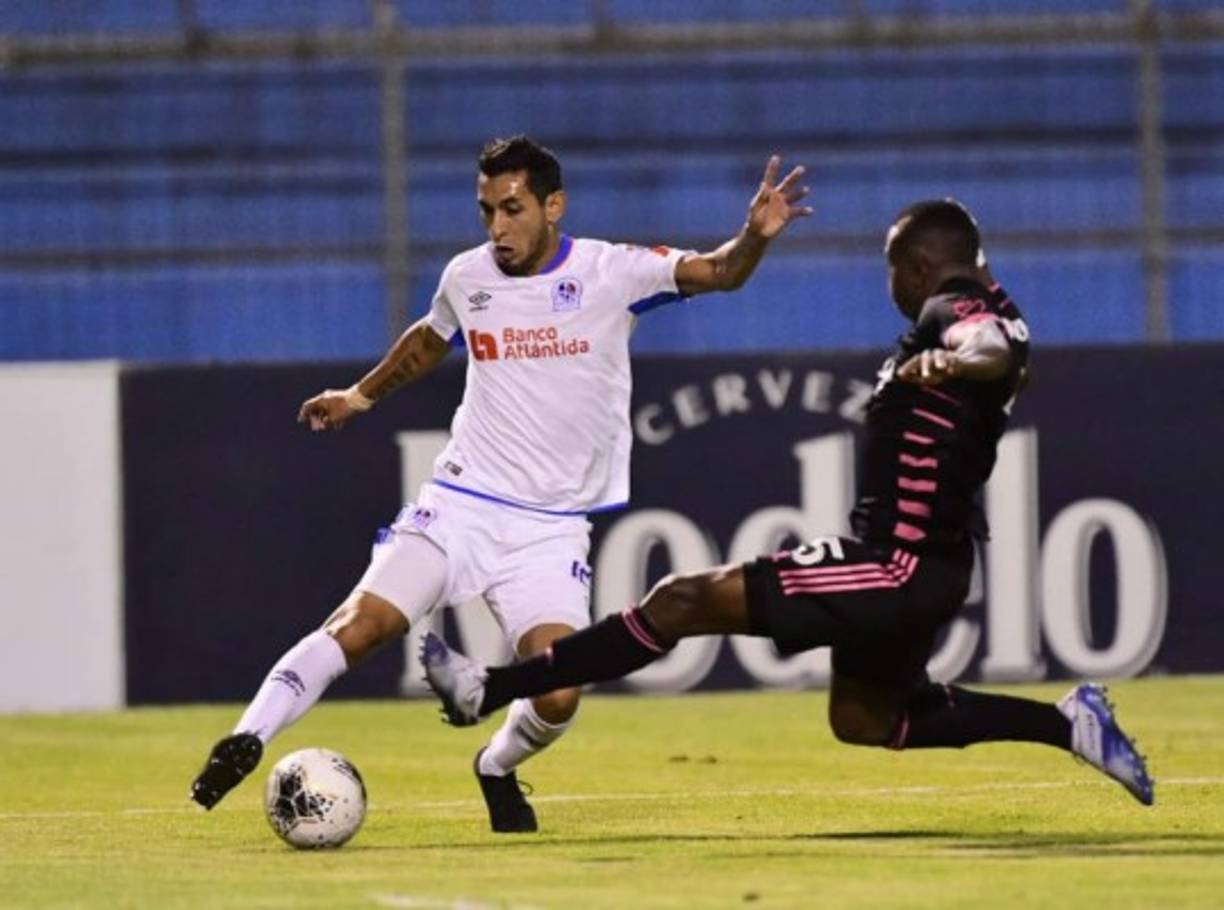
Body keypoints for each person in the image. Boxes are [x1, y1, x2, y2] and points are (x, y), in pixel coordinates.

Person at [421, 198, 1155, 809]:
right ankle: (1069, 725)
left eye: (892, 273)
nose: (893, 289)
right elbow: (1006, 352)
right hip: (925, 564)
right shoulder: (997, 306)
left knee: (680, 600)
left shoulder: (954, 308)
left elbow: (985, 344)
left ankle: (491, 687)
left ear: (916, 268)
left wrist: (957, 356)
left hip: (896, 564)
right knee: (864, 717)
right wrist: (972, 364)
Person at [189, 135, 813, 831]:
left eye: (512, 209)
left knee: (559, 693)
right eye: (487, 210)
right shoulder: (468, 276)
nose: (497, 227)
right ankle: (245, 739)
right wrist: (357, 397)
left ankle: (495, 765)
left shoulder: (612, 272)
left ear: (553, 206)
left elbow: (720, 272)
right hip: (460, 504)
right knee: (361, 626)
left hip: (549, 529)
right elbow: (431, 337)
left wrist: (755, 236)